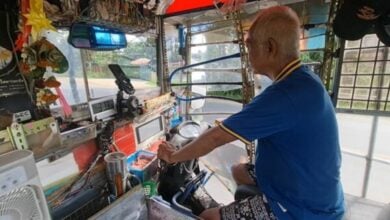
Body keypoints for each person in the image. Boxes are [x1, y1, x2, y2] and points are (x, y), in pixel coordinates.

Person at [158, 5, 344, 220]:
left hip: (302, 208)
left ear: (270, 47)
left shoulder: (284, 95)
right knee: (239, 170)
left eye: (250, 47)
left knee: (208, 217)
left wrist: (173, 156)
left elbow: (217, 137)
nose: (247, 55)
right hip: (308, 185)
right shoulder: (303, 80)